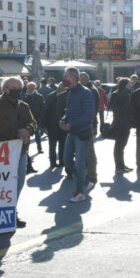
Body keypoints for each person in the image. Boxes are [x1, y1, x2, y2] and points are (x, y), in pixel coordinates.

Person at [0, 76, 35, 228]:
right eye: (13, 89)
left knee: (18, 183)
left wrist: (28, 130)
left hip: (21, 151)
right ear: (5, 89)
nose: (17, 92)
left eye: (19, 89)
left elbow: (32, 122)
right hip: (3, 152)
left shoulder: (24, 105)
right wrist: (19, 133)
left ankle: (11, 212)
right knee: (2, 185)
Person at [60, 67, 96, 203]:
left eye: (66, 76)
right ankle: (86, 181)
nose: (63, 78)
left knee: (80, 164)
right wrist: (64, 119)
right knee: (67, 160)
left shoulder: (85, 93)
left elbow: (89, 114)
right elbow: (68, 111)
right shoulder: (70, 92)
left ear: (74, 78)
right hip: (72, 131)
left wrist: (72, 123)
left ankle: (80, 192)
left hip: (82, 133)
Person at [108, 77, 133, 172]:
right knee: (121, 145)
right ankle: (119, 166)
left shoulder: (115, 93)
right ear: (126, 84)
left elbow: (112, 107)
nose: (131, 85)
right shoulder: (127, 94)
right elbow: (129, 108)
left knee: (119, 145)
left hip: (117, 121)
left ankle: (121, 165)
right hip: (124, 122)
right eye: (130, 84)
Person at [42, 82, 67, 168]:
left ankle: (61, 161)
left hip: (63, 125)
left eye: (64, 87)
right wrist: (43, 125)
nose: (62, 88)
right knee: (52, 144)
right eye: (61, 86)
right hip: (52, 125)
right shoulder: (50, 96)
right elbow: (45, 111)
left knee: (63, 144)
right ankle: (52, 162)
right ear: (58, 87)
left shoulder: (67, 96)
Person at [26, 81, 45, 154]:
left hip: (36, 118)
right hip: (27, 118)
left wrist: (41, 117)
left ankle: (39, 148)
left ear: (35, 87)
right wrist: (28, 96)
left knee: (37, 134)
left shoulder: (39, 96)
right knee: (27, 135)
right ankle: (26, 149)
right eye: (29, 87)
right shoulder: (25, 96)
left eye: (32, 87)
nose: (30, 89)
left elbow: (42, 107)